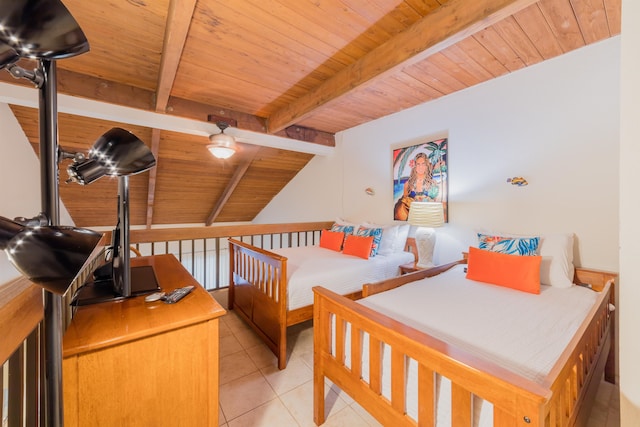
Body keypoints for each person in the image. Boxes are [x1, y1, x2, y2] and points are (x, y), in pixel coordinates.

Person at [394, 152, 438, 220]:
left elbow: (435, 204)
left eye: (423, 164)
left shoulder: (433, 183)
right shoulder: (408, 184)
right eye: (418, 164)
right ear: (415, 166)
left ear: (427, 166)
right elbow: (403, 205)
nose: (421, 167)